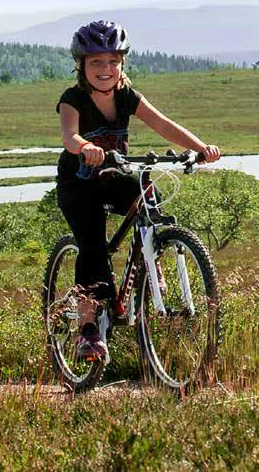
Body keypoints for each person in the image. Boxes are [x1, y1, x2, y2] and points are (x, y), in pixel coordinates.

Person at [56, 20, 220, 360]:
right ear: (81, 65)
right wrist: (84, 146)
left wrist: (201, 148)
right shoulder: (73, 98)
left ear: (122, 64)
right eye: (96, 62)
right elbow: (69, 135)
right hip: (79, 183)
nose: (105, 69)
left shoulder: (126, 95)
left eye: (113, 61)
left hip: (113, 174)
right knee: (94, 249)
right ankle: (87, 329)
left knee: (149, 197)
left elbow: (162, 123)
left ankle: (150, 259)